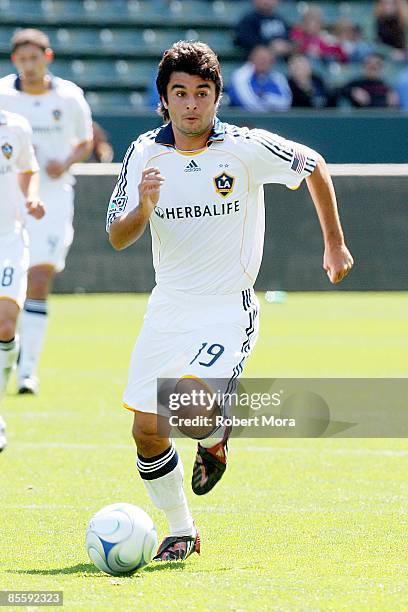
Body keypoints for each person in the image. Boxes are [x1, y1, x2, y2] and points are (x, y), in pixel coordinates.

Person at [106, 41, 353, 562]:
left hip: (226, 307)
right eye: (180, 93)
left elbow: (313, 165)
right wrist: (144, 207)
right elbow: (117, 237)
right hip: (168, 307)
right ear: (164, 99)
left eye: (202, 92)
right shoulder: (143, 154)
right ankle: (181, 530)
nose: (191, 103)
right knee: (146, 432)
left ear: (217, 96)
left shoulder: (245, 146)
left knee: (189, 406)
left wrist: (333, 241)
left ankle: (214, 432)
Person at [0, 29, 93, 395]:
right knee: (11, 290)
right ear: (15, 61)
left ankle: (28, 371)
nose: (29, 64)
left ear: (47, 57)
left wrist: (66, 159)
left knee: (39, 279)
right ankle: (12, 348)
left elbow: (86, 139)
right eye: (22, 59)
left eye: (34, 57)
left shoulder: (68, 97)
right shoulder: (4, 95)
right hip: (10, 202)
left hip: (52, 198)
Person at [0, 108, 45, 451]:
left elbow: (29, 168)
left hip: (8, 239)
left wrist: (31, 196)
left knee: (5, 324)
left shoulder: (15, 125)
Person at [228, 45, 292, 111]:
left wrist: (266, 98)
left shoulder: (277, 77)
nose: (263, 62)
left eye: (267, 59)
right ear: (252, 59)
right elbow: (247, 104)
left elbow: (286, 102)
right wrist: (270, 105)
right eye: (260, 59)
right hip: (243, 119)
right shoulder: (240, 76)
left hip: (272, 119)